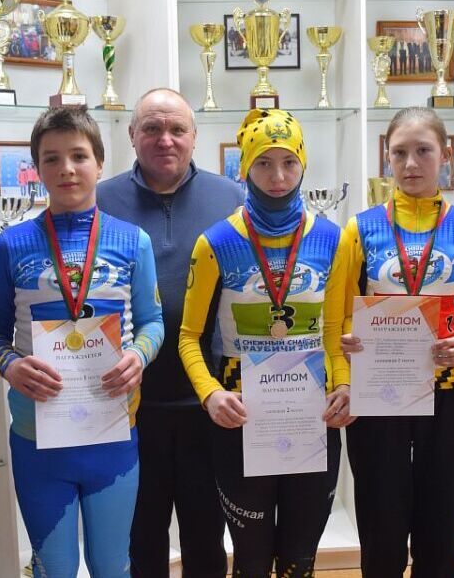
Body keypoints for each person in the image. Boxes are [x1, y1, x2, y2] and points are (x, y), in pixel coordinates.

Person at [0, 105, 163, 578]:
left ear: (99, 163)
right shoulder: (11, 244)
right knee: (54, 568)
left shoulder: (133, 241)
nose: (66, 169)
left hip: (112, 435)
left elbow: (153, 322)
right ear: (36, 169)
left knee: (112, 566)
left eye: (79, 156)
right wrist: (11, 366)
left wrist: (138, 355)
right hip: (38, 439)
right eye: (51, 158)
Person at [179, 108, 353, 577]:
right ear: (244, 168)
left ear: (303, 164)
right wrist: (210, 393)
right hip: (240, 413)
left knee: (300, 559)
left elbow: (334, 333)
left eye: (289, 162)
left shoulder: (334, 240)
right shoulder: (215, 242)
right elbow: (189, 337)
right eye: (263, 163)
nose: (278, 177)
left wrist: (344, 386)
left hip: (312, 413)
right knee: (251, 561)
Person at [340, 106, 454, 577]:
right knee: (381, 531)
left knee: (440, 532)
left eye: (423, 151)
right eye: (399, 153)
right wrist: (346, 354)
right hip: (378, 397)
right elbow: (340, 316)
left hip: (449, 396)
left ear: (445, 155)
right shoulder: (360, 227)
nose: (410, 164)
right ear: (386, 158)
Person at [96, 88, 243, 578]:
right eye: (152, 129)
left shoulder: (231, 197)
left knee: (206, 538)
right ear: (132, 135)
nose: (165, 140)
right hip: (128, 404)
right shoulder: (101, 200)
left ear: (194, 137)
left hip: (209, 400)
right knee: (141, 538)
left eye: (177, 129)